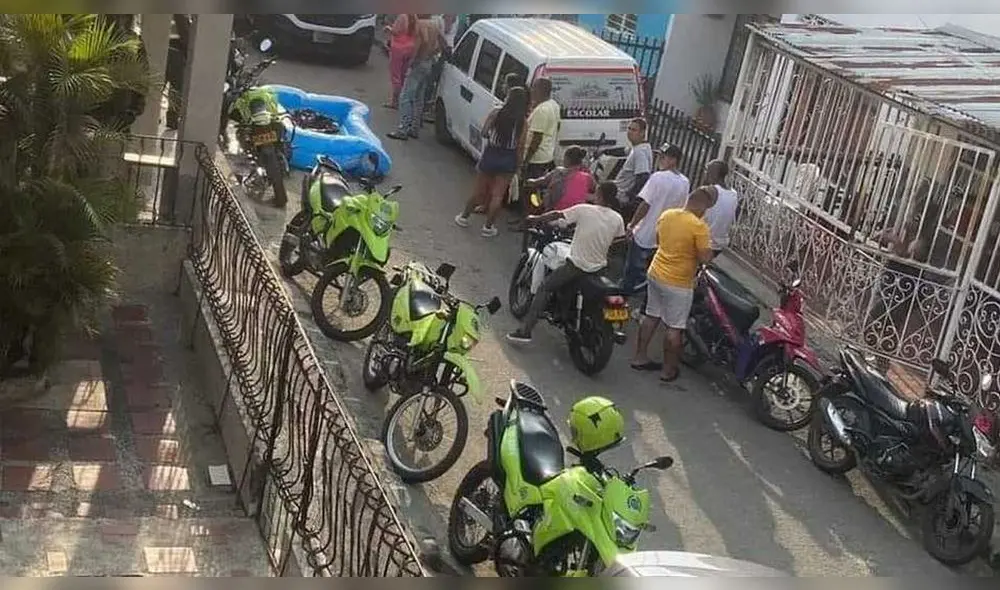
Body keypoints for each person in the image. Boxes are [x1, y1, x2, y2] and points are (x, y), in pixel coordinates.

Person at [506, 181, 625, 343]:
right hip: (599, 269)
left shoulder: (585, 209)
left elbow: (557, 215)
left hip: (576, 266)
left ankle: (525, 331)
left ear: (599, 194)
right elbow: (618, 242)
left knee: (545, 287)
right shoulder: (618, 218)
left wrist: (536, 218)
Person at [631, 186, 717, 382]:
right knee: (674, 327)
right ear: (703, 206)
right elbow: (705, 258)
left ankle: (639, 357)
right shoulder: (699, 226)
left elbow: (660, 240)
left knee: (651, 316)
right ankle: (668, 370)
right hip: (678, 283)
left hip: (655, 272)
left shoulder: (668, 214)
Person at [454, 86, 530, 237]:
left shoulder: (496, 113)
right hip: (508, 158)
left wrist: (492, 136)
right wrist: (519, 164)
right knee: (498, 195)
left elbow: (484, 132)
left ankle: (464, 217)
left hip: (491, 153)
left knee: (478, 192)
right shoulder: (523, 122)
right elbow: (520, 146)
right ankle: (488, 227)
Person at [621, 144, 689, 295]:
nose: (660, 159)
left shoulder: (658, 177)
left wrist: (632, 225)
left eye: (663, 157)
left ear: (673, 160)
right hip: (664, 236)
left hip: (645, 232)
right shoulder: (685, 182)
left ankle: (623, 297)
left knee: (631, 271)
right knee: (652, 273)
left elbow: (646, 204)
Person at [387, 15, 444, 141]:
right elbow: (441, 43)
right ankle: (415, 128)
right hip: (429, 62)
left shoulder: (420, 24)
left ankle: (403, 129)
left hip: (419, 63)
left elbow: (419, 42)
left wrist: (411, 61)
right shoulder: (434, 24)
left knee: (406, 97)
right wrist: (433, 54)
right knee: (419, 97)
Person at [514, 77, 560, 222]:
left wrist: (526, 160)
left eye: (534, 88)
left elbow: (536, 138)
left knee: (529, 190)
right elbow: (557, 127)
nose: (532, 91)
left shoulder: (542, 110)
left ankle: (528, 219)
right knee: (531, 190)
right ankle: (525, 217)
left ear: (540, 90)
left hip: (536, 157)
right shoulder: (553, 105)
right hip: (545, 155)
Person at [524, 145, 595, 212]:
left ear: (567, 159)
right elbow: (594, 190)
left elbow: (541, 181)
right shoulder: (588, 177)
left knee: (535, 195)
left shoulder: (558, 171)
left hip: (553, 210)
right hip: (576, 213)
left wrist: (530, 181)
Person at [613, 118, 654, 220]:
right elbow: (624, 150)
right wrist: (604, 151)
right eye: (629, 129)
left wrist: (631, 196)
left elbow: (643, 176)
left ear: (642, 133)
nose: (630, 132)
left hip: (621, 199)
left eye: (634, 130)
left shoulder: (639, 152)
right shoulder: (638, 147)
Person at [701, 159, 739, 258]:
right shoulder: (733, 194)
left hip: (704, 242)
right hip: (719, 244)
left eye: (707, 170)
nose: (705, 173)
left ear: (714, 174)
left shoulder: (710, 191)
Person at [423, 14, 457, 122]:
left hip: (442, 51)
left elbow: (446, 31)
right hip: (446, 49)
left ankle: (426, 108)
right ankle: (428, 107)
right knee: (436, 81)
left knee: (432, 80)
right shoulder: (452, 16)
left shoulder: (447, 16)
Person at [384, 14, 417, 110]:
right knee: (403, 74)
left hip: (398, 48)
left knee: (396, 75)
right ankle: (402, 98)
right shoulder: (413, 17)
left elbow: (396, 31)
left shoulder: (402, 16)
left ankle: (395, 101)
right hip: (410, 47)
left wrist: (388, 28)